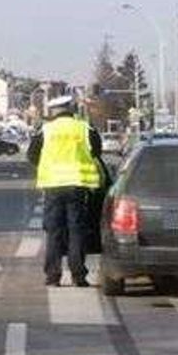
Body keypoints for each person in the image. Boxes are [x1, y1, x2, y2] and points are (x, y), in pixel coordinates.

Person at [27, 95, 104, 287]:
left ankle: (53, 276)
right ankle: (78, 275)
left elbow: (32, 155)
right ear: (71, 109)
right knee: (76, 230)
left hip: (53, 186)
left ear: (53, 111)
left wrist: (47, 164)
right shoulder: (85, 128)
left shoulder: (45, 130)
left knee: (54, 231)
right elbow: (96, 152)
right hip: (77, 185)